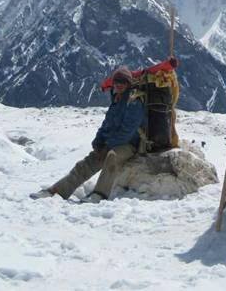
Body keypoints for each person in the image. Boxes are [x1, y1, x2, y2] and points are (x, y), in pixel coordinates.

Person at [30, 66, 144, 203]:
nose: (118, 85)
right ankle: (56, 191)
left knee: (111, 157)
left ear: (129, 84)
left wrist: (108, 145)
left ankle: (99, 194)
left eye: (123, 82)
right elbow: (106, 124)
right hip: (112, 143)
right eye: (116, 81)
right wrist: (99, 141)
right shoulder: (116, 101)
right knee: (86, 163)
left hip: (130, 145)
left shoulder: (134, 102)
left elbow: (127, 132)